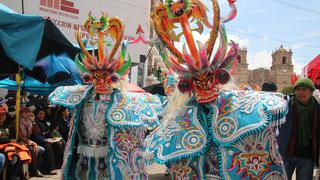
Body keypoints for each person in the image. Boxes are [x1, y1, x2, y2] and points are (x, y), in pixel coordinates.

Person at [145, 0, 288, 179]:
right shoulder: (178, 119)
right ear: (187, 87)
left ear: (220, 77)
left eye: (210, 78)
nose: (204, 86)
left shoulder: (249, 109)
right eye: (196, 82)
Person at [49, 13, 163, 179]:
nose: (101, 81)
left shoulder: (124, 101)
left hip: (111, 160)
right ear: (89, 77)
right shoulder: (82, 97)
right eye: (95, 77)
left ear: (115, 78)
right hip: (83, 158)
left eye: (107, 77)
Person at [278, 77, 320, 180]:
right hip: (286, 154)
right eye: (298, 89)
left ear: (311, 91)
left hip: (307, 156)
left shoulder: (318, 109)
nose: (300, 92)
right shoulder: (284, 107)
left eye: (304, 89)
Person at [11, 105, 45, 177]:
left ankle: (33, 170)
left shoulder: (29, 122)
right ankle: (35, 171)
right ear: (20, 113)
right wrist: (31, 142)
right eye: (25, 112)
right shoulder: (16, 122)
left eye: (28, 112)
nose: (28, 114)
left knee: (41, 150)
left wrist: (33, 122)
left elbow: (37, 132)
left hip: (26, 141)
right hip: (18, 142)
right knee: (31, 149)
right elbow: (20, 137)